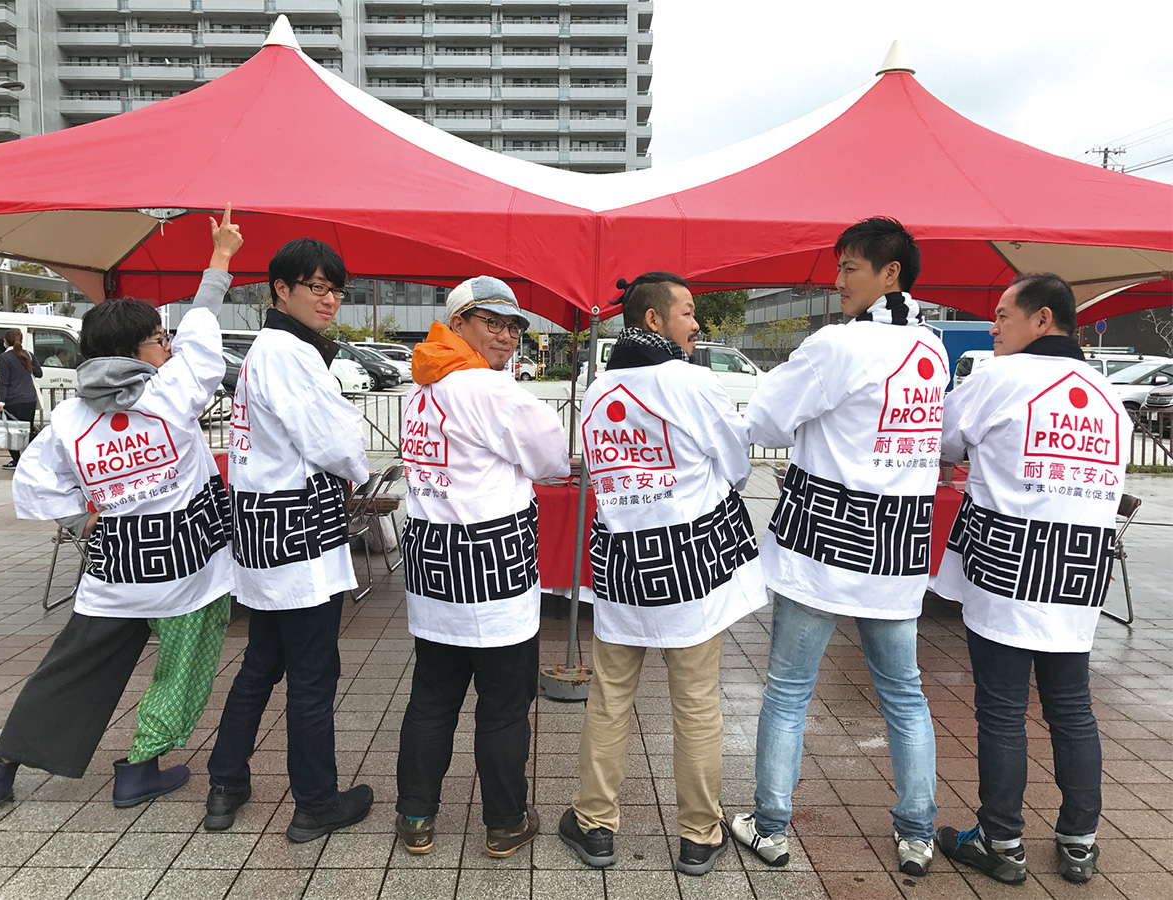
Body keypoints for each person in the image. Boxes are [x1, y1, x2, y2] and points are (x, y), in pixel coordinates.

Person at [0, 207, 241, 809]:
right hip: (188, 566)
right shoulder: (172, 392)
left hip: (115, 569)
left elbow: (36, 486)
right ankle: (140, 766)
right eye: (158, 338)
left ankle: (2, 765)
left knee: (71, 667)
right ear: (137, 349)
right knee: (184, 667)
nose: (167, 345)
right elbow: (202, 326)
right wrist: (220, 256)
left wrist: (83, 519)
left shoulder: (69, 418)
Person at [738, 217, 945, 876]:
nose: (838, 279)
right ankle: (917, 833)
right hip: (897, 548)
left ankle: (770, 826)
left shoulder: (839, 345)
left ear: (890, 274)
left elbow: (766, 419)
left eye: (850, 267)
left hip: (825, 542)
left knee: (789, 692)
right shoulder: (931, 349)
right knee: (905, 696)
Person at [558, 272, 766, 877]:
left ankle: (595, 825)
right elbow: (734, 461)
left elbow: (600, 473)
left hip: (620, 561)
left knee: (609, 697)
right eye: (688, 311)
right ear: (654, 320)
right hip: (690, 563)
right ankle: (699, 835)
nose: (697, 323)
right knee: (697, 703)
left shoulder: (599, 390)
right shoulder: (691, 383)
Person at [933, 273, 1129, 886]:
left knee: (1001, 709)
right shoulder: (1106, 395)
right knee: (1072, 708)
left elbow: (943, 444)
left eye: (1001, 315)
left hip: (1009, 560)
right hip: (1080, 565)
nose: (993, 327)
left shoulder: (996, 378)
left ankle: (1001, 840)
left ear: (1042, 320)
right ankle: (1079, 840)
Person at [393, 276, 568, 859]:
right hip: (491, 563)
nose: (507, 336)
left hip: (432, 560)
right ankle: (504, 821)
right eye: (491, 322)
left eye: (514, 326)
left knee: (432, 696)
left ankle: (416, 817)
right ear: (458, 323)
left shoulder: (424, 386)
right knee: (502, 701)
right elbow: (550, 456)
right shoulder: (489, 390)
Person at [206, 238, 372, 844]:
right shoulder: (290, 354)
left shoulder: (265, 350)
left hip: (260, 526)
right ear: (282, 288)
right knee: (311, 674)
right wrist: (356, 462)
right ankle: (315, 802)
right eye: (317, 287)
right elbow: (337, 444)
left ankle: (225, 783)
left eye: (336, 288)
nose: (329, 300)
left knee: (260, 665)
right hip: (297, 533)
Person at [0, 328, 43, 469]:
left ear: (5, 341)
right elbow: (39, 373)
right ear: (21, 340)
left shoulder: (4, 358)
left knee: (11, 432)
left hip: (12, 400)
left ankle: (17, 460)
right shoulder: (28, 354)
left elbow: (3, 381)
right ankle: (35, 455)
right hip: (29, 399)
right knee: (26, 430)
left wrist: (0, 401)